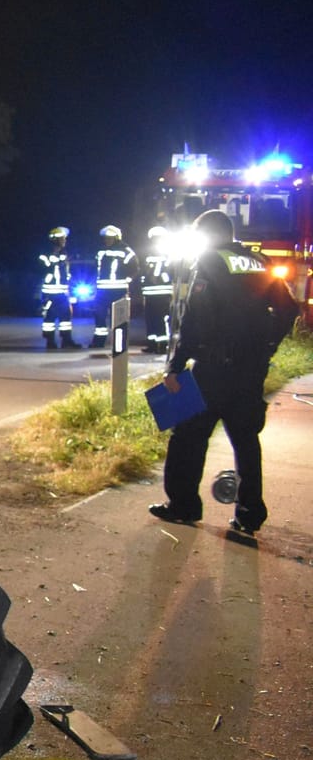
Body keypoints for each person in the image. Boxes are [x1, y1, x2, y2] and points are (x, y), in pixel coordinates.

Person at [148, 209, 298, 538]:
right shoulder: (259, 262)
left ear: (207, 236)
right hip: (251, 370)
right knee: (246, 441)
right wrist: (268, 346)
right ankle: (249, 514)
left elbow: (194, 321)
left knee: (188, 437)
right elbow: (289, 308)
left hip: (213, 372)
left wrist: (175, 366)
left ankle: (183, 506)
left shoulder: (209, 262)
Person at [91, 224, 136, 349]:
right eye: (106, 238)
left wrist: (127, 280)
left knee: (119, 318)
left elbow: (134, 268)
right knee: (99, 316)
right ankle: (99, 341)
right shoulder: (100, 251)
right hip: (102, 290)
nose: (107, 240)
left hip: (118, 290)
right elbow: (95, 268)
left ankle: (119, 344)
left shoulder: (126, 251)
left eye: (110, 238)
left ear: (116, 238)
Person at [136, 225, 175, 353]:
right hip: (149, 292)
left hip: (162, 292)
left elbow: (170, 271)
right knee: (150, 319)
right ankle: (152, 344)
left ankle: (162, 345)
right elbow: (144, 271)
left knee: (160, 319)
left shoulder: (168, 252)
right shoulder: (149, 253)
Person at [38, 226, 73, 349]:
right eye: (62, 238)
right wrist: (54, 258)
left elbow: (66, 272)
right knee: (49, 317)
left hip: (62, 292)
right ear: (56, 240)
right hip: (50, 292)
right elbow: (43, 269)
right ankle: (50, 341)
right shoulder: (45, 254)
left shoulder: (64, 253)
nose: (64, 241)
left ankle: (66, 340)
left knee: (66, 317)